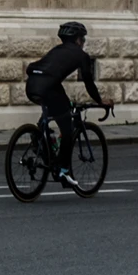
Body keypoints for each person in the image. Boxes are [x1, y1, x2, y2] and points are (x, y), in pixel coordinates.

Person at [25, 21, 111, 183]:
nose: (84, 43)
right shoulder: (81, 56)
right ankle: (63, 170)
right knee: (68, 129)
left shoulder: (57, 50)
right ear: (78, 40)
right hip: (49, 87)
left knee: (57, 105)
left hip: (32, 85)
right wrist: (100, 101)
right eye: (83, 39)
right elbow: (88, 82)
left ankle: (41, 137)